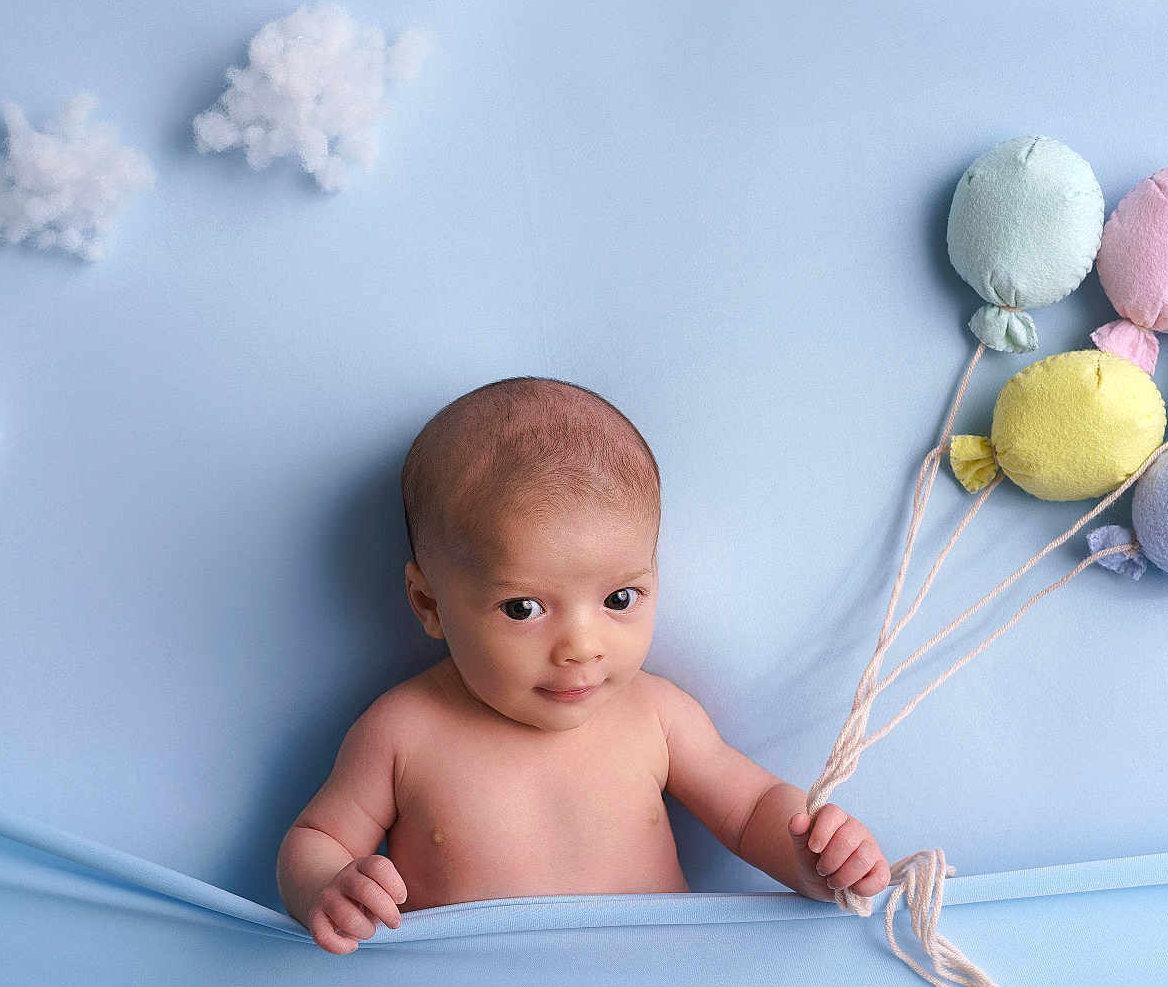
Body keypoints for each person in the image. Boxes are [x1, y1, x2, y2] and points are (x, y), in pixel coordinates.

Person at [278, 376, 890, 954]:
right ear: (429, 603)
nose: (581, 647)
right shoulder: (403, 731)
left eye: (619, 599)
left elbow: (751, 810)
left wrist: (812, 860)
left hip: (656, 986)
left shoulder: (657, 714)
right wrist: (330, 889)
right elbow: (319, 840)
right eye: (523, 608)